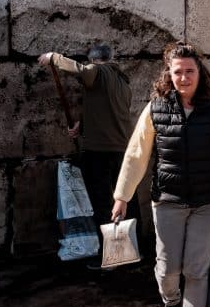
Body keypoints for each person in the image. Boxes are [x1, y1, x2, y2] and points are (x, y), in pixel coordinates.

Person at [110, 42, 210, 307]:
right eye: (178, 71)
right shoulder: (156, 108)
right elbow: (136, 154)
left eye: (190, 71)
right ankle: (172, 304)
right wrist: (122, 196)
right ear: (169, 74)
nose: (184, 77)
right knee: (169, 268)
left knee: (196, 269)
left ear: (200, 73)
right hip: (169, 199)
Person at [38, 45, 138, 265]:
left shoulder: (99, 72)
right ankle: (130, 254)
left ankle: (110, 256)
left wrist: (53, 57)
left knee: (103, 204)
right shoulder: (123, 82)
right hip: (122, 150)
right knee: (124, 202)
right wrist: (82, 126)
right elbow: (109, 112)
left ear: (96, 60)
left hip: (100, 152)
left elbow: (84, 71)